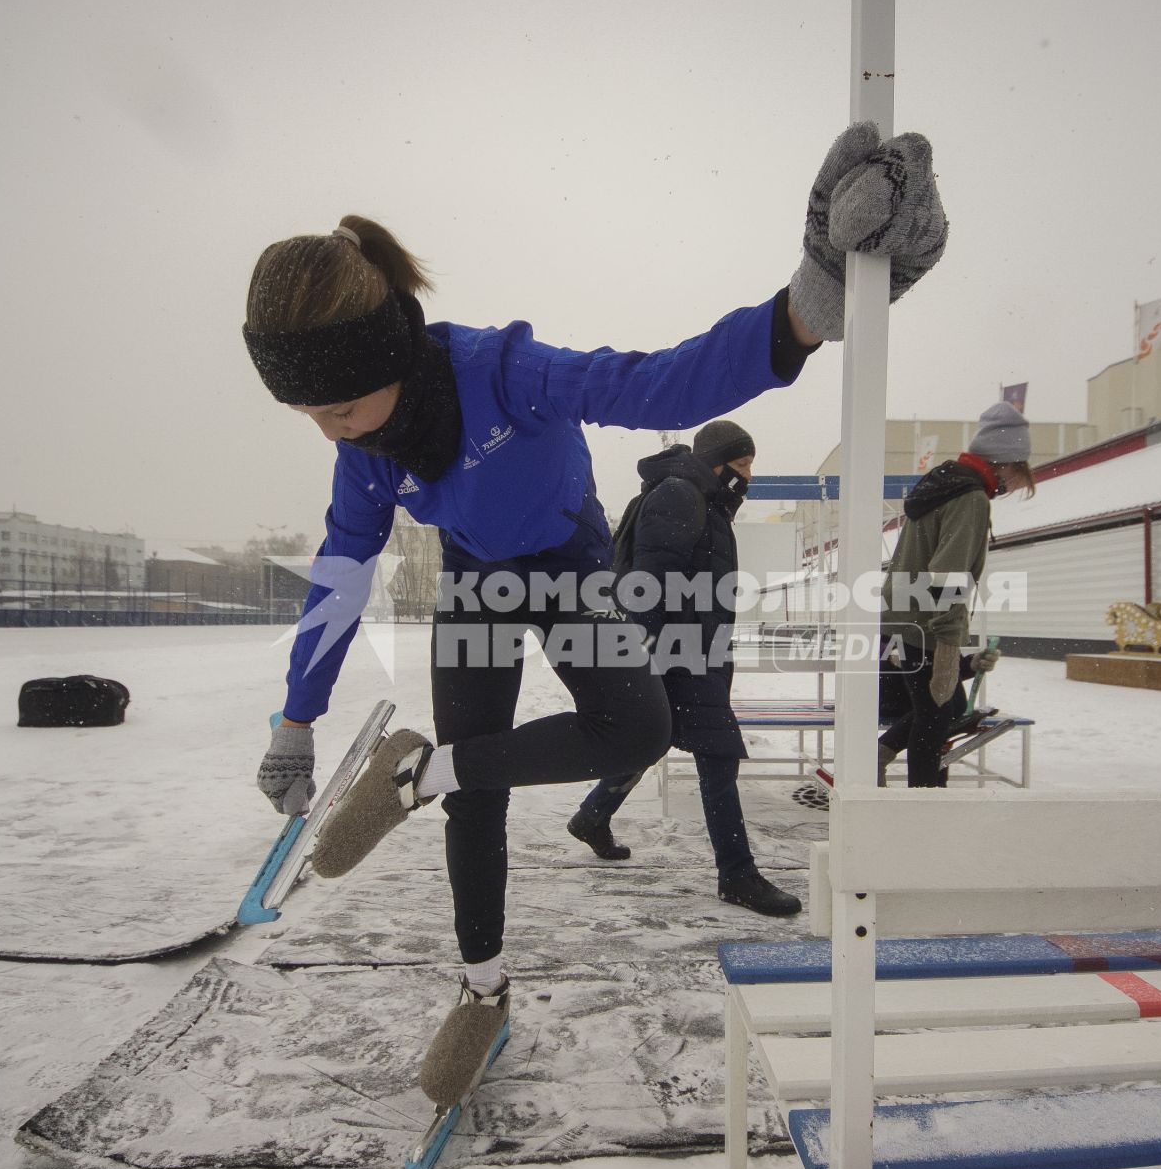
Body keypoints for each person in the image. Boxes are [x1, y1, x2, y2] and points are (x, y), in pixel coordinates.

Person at [244, 123, 946, 1108]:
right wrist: (294, 718)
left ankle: (419, 775)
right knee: (482, 794)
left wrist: (801, 316)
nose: (333, 432)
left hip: (570, 560)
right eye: (312, 417)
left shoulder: (502, 368)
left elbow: (649, 380)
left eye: (342, 407)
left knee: (642, 724)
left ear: (391, 351)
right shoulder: (365, 458)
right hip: (482, 582)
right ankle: (481, 988)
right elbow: (342, 570)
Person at [566, 420, 801, 917]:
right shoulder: (680, 495)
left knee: (651, 739)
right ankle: (737, 873)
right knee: (718, 757)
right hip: (679, 650)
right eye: (741, 465)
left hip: (694, 647)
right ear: (716, 463)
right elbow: (649, 580)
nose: (749, 476)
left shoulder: (701, 499)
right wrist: (642, 652)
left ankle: (593, 815)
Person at [877, 401, 1032, 787]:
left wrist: (964, 659)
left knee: (941, 709)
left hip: (902, 615)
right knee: (934, 722)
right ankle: (926, 810)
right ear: (1006, 462)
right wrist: (948, 647)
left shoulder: (943, 482)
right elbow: (948, 573)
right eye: (1018, 475)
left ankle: (880, 756)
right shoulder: (970, 497)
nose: (1012, 487)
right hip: (924, 624)